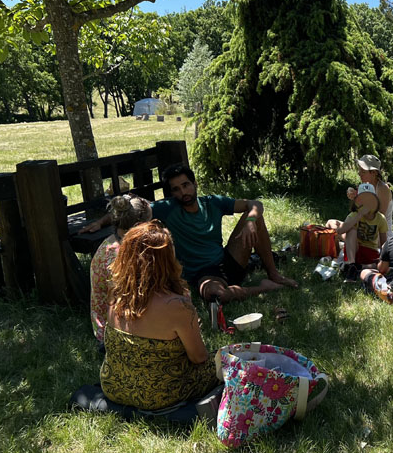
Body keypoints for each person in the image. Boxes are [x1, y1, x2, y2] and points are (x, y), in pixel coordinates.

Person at [81, 164, 297, 304]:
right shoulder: (168, 208)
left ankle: (273, 274)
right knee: (217, 296)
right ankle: (261, 288)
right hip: (204, 275)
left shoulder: (212, 203)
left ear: (195, 184)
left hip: (229, 260)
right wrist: (100, 222)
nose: (183, 192)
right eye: (176, 189)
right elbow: (131, 210)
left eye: (186, 185)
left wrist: (250, 221)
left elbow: (255, 203)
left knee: (255, 217)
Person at [100, 221, 219, 410]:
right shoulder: (177, 305)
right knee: (226, 360)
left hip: (114, 387)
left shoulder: (116, 293)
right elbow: (199, 358)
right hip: (160, 395)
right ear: (166, 260)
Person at [90, 194, 152, 345]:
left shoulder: (107, 245)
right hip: (122, 337)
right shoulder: (129, 257)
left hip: (104, 332)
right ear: (141, 225)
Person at [327, 153, 393, 249]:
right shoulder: (364, 187)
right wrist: (354, 199)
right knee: (330, 223)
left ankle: (349, 243)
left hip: (378, 234)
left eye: (363, 171)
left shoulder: (383, 189)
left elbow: (376, 218)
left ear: (374, 173)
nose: (359, 173)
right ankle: (348, 243)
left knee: (345, 232)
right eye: (359, 170)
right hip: (362, 228)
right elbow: (355, 213)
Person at [337, 182, 389, 281]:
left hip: (370, 251)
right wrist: (359, 215)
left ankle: (358, 267)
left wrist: (383, 260)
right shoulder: (355, 215)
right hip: (354, 251)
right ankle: (351, 265)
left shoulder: (380, 218)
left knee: (380, 264)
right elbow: (340, 230)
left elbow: (384, 243)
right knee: (352, 230)